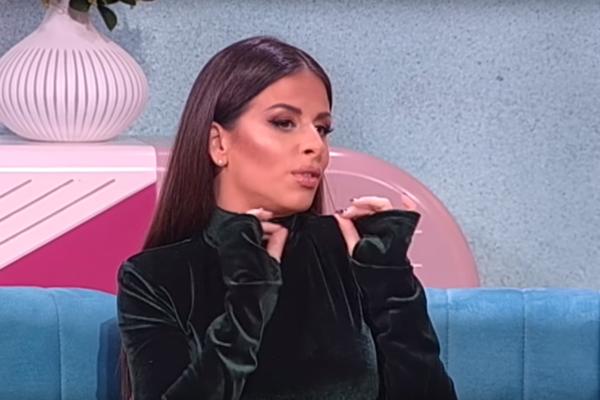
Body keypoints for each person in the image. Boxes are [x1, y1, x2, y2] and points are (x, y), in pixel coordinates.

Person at [116, 35, 457, 400]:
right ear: (218, 143)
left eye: (322, 128)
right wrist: (248, 303)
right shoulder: (154, 278)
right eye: (283, 122)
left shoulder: (352, 251)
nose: (316, 146)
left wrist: (392, 287)